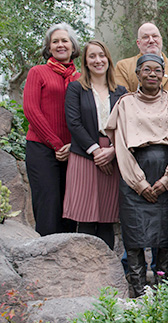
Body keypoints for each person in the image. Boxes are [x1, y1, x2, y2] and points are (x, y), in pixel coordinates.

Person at [105, 54, 168, 297]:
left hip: (166, 178)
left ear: (163, 75)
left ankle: (163, 294)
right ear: (137, 74)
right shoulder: (125, 104)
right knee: (134, 237)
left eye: (157, 70)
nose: (152, 74)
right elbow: (119, 144)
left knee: (165, 237)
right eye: (146, 69)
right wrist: (139, 183)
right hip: (133, 177)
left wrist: (167, 179)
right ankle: (137, 292)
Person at [63, 40, 127, 249]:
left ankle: (107, 272)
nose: (98, 60)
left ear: (108, 58)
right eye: (92, 56)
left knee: (107, 217)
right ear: (85, 62)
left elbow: (126, 126)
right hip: (84, 154)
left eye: (101, 55)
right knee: (86, 216)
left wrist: (112, 151)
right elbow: (73, 122)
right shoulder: (76, 89)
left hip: (112, 154)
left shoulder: (121, 91)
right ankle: (85, 270)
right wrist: (96, 151)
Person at [23, 23, 81, 236]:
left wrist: (72, 146)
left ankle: (67, 260)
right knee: (48, 205)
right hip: (42, 149)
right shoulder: (38, 72)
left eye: (64, 40)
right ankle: (45, 261)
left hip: (73, 151)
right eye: (55, 41)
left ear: (73, 46)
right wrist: (57, 144)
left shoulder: (80, 78)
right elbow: (30, 109)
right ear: (49, 47)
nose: (60, 45)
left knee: (70, 209)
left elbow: (85, 118)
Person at [115, 22, 168, 95]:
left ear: (161, 40)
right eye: (145, 37)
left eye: (155, 36)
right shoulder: (124, 67)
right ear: (138, 43)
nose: (151, 40)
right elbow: (122, 99)